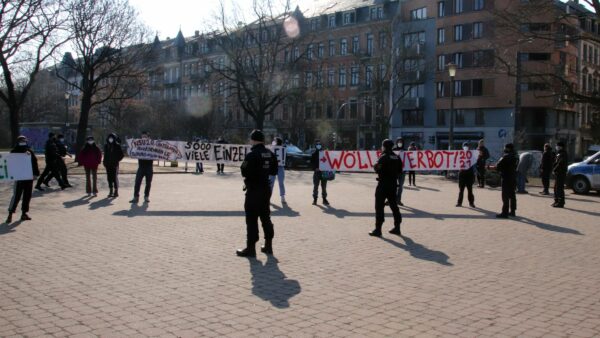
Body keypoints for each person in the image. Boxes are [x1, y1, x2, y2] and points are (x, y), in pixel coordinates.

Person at [236, 130, 278, 257]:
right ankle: (268, 246)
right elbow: (274, 171)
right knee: (266, 217)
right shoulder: (270, 154)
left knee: (251, 219)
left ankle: (251, 248)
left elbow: (244, 171)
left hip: (253, 190)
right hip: (266, 190)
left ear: (253, 140)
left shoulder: (251, 155)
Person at [369, 139, 403, 237]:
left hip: (383, 185)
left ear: (384, 146)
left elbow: (377, 168)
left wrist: (375, 165)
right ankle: (397, 228)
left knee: (379, 206)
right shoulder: (396, 157)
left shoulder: (383, 157)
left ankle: (378, 229)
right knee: (394, 207)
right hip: (393, 185)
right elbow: (400, 171)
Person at [5, 136, 40, 223]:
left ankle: (24, 213)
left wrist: (36, 173)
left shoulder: (29, 151)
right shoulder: (14, 151)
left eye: (24, 141)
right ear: (18, 142)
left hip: (29, 177)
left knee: (27, 196)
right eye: (21, 141)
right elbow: (10, 162)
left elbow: (35, 162)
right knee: (16, 196)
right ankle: (10, 214)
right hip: (19, 177)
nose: (23, 142)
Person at [130, 131, 154, 203]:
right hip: (141, 167)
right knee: (137, 182)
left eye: (145, 137)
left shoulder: (152, 145)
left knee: (148, 183)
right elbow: (133, 151)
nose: (143, 138)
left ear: (148, 137)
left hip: (149, 167)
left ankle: (146, 196)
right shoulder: (138, 145)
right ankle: (135, 197)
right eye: (142, 137)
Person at [496, 143, 518, 218]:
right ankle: (513, 211)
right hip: (513, 177)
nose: (504, 149)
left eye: (505, 148)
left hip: (506, 177)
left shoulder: (506, 156)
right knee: (512, 195)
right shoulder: (516, 156)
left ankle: (504, 213)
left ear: (508, 148)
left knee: (505, 195)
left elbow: (498, 166)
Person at [103, 133, 124, 198]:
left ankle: (116, 191)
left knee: (114, 178)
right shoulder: (106, 146)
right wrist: (104, 162)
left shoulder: (117, 146)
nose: (110, 139)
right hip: (108, 164)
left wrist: (116, 160)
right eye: (109, 138)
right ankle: (111, 190)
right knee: (109, 178)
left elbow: (121, 155)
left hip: (114, 164)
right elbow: (105, 155)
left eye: (112, 138)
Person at [457, 142, 476, 208]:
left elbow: (474, 163)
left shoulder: (472, 155)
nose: (466, 147)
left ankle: (471, 203)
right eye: (465, 146)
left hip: (469, 174)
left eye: (467, 146)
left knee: (470, 190)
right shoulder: (459, 154)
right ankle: (459, 203)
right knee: (461, 190)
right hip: (462, 174)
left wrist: (474, 173)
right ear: (462, 147)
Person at [310, 139, 329, 206]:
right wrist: (315, 168)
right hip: (316, 173)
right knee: (316, 186)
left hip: (323, 173)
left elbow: (328, 162)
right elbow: (311, 164)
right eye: (317, 144)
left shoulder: (324, 154)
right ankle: (315, 199)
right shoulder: (313, 154)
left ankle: (324, 199)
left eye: (319, 144)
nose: (318, 145)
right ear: (315, 146)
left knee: (324, 187)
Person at [269, 137, 287, 204]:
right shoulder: (271, 148)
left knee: (281, 182)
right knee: (271, 183)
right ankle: (268, 197)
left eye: (275, 140)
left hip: (280, 167)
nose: (273, 141)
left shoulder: (282, 148)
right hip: (273, 167)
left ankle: (282, 197)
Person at [552, 141, 568, 208]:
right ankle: (556, 201)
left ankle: (561, 203)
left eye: (557, 146)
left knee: (559, 188)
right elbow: (556, 162)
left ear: (560, 147)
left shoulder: (563, 154)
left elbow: (560, 163)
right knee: (555, 188)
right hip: (557, 173)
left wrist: (555, 169)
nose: (556, 147)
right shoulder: (559, 153)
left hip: (561, 173)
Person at [392, 137, 406, 206]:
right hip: (395, 171)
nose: (400, 143)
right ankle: (392, 199)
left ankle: (398, 200)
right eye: (398, 141)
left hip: (403, 171)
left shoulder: (405, 151)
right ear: (396, 142)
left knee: (400, 186)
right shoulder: (393, 150)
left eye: (401, 142)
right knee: (393, 186)